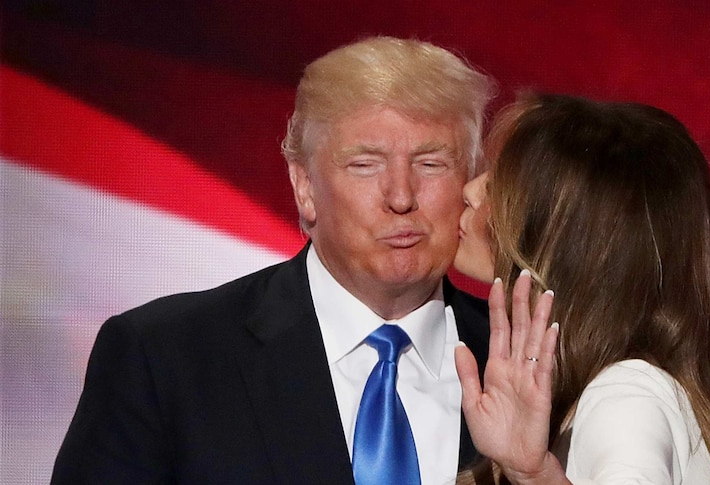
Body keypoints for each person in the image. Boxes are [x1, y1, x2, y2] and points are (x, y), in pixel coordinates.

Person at [52, 36, 495, 484]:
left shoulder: (535, 364)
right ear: (305, 186)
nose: (401, 197)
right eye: (365, 164)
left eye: (432, 164)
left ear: (472, 180)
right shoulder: (162, 359)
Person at [453, 94, 710, 484]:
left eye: (500, 184)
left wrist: (533, 476)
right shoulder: (619, 390)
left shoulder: (625, 394)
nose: (471, 190)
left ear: (564, 237)